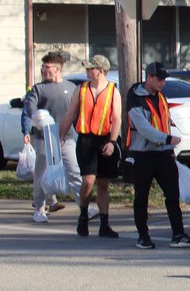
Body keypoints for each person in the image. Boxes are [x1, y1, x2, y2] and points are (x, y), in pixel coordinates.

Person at [126, 63, 190, 249]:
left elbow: (165, 122)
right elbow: (144, 129)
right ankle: (143, 236)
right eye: (159, 79)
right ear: (148, 77)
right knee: (141, 197)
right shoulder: (135, 99)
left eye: (164, 79)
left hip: (164, 154)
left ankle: (178, 234)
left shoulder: (161, 97)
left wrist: (170, 149)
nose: (162, 83)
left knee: (172, 196)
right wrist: (167, 139)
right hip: (143, 155)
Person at [63, 55, 121, 238]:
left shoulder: (113, 90)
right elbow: (71, 113)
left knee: (103, 183)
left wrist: (112, 142)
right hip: (86, 140)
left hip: (105, 140)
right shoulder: (81, 89)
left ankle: (105, 224)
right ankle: (83, 214)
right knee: (88, 180)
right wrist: (61, 136)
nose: (88, 71)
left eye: (91, 68)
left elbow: (117, 118)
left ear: (101, 70)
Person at [21, 51, 82, 224]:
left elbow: (77, 112)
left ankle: (84, 207)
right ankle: (39, 209)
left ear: (57, 69)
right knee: (40, 175)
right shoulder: (38, 89)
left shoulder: (71, 88)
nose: (44, 70)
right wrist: (36, 120)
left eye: (47, 67)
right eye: (43, 67)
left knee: (74, 172)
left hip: (66, 138)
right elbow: (29, 109)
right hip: (43, 139)